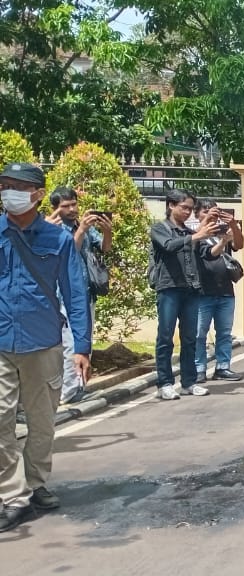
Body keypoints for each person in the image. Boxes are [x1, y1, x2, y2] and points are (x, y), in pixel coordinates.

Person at [0, 162, 92, 532]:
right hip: (2, 342)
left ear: (38, 194)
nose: (9, 191)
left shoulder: (58, 241)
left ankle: (35, 484)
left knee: (41, 423)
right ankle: (12, 495)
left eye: (18, 186)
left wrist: (82, 347)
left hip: (44, 344)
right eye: (5, 184)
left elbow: (75, 294)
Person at [150, 190, 219, 400]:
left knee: (190, 338)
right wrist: (197, 235)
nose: (188, 212)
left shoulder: (188, 232)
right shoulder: (160, 229)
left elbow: (206, 254)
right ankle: (164, 383)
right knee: (165, 337)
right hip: (169, 288)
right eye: (184, 207)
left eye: (190, 208)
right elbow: (169, 246)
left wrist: (222, 240)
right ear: (171, 205)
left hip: (191, 288)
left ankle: (188, 382)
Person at [46, 186, 112, 404]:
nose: (72, 209)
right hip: (62, 295)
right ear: (55, 208)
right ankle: (67, 391)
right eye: (66, 206)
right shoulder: (52, 229)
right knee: (70, 345)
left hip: (85, 294)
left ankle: (78, 386)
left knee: (84, 343)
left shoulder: (80, 224)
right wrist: (81, 231)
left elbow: (105, 249)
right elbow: (67, 253)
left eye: (74, 204)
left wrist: (107, 231)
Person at [193, 199, 244, 383]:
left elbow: (239, 244)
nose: (210, 214)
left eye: (213, 210)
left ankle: (223, 367)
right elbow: (210, 253)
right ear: (197, 214)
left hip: (225, 291)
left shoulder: (223, 230)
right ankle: (198, 368)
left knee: (224, 332)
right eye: (205, 211)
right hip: (202, 292)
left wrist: (232, 225)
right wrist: (222, 240)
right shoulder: (194, 234)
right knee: (199, 333)